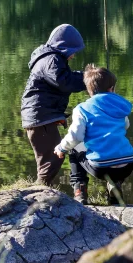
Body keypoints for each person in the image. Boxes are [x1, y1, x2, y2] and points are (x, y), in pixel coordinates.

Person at [53, 64, 133, 205]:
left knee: (74, 147)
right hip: (127, 165)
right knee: (117, 149)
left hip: (100, 167)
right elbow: (126, 126)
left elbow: (76, 137)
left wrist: (61, 148)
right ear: (111, 88)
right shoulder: (120, 106)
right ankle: (115, 186)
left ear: (89, 90)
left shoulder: (82, 109)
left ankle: (80, 190)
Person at [21, 24, 86, 185]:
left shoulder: (51, 58)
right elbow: (64, 81)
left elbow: (66, 77)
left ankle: (40, 190)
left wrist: (86, 75)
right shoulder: (51, 60)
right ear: (63, 46)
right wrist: (88, 79)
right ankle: (39, 191)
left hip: (40, 114)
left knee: (51, 157)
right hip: (39, 115)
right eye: (72, 51)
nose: (73, 56)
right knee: (53, 158)